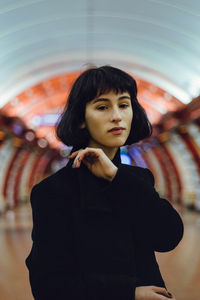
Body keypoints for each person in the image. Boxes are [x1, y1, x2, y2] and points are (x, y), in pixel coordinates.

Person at [25, 65, 184, 300]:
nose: (117, 116)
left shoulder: (137, 181)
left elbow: (167, 237)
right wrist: (128, 293)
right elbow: (47, 285)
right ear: (81, 120)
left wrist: (117, 179)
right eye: (102, 107)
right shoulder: (52, 192)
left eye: (123, 104)